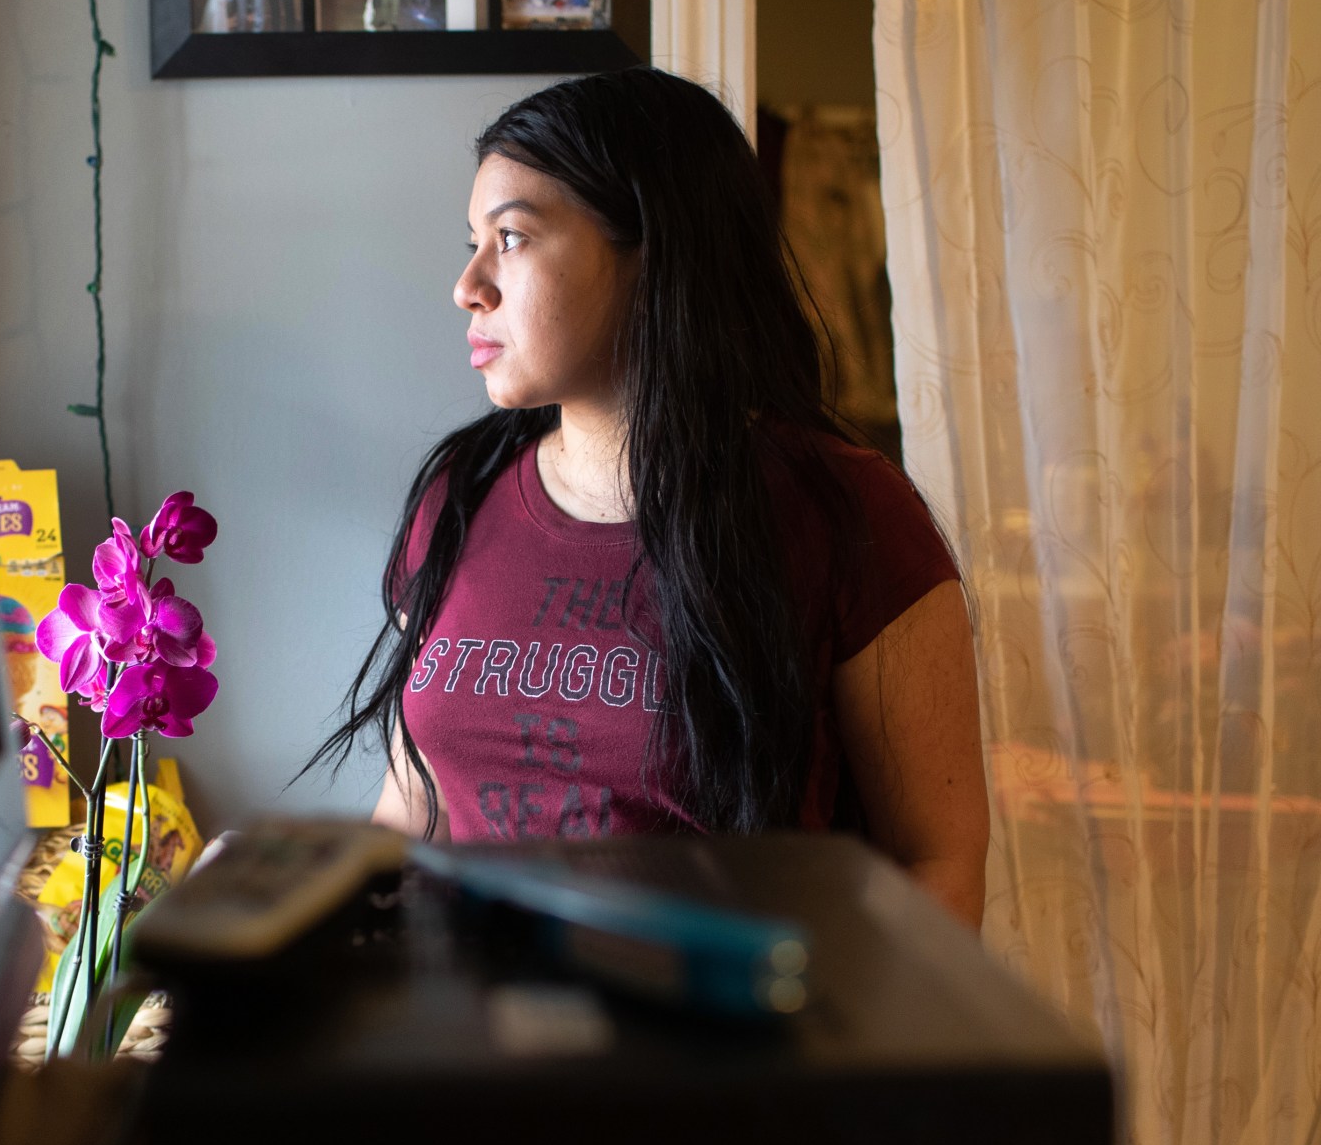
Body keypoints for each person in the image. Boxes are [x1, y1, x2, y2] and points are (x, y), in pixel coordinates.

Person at [315, 69, 988, 927]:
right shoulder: (459, 497)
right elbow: (414, 809)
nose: (469, 284)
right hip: (467, 1045)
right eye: (471, 240)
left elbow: (938, 862)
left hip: (723, 1050)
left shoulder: (846, 515)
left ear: (650, 252)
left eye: (512, 238)